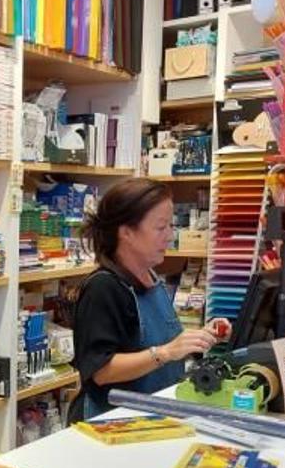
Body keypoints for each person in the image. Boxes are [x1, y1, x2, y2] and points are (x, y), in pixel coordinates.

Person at [70, 179, 219, 421]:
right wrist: (167, 352)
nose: (171, 236)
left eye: (171, 226)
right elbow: (101, 370)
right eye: (161, 228)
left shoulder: (151, 278)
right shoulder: (104, 288)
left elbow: (165, 345)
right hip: (112, 423)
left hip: (154, 416)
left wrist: (199, 339)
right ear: (126, 232)